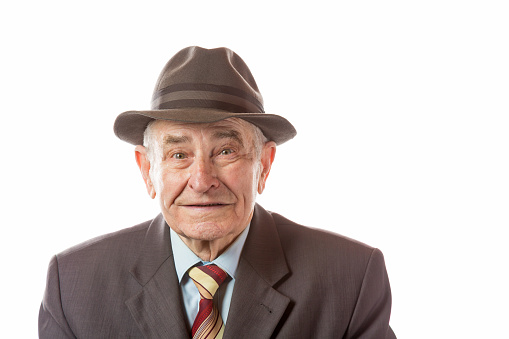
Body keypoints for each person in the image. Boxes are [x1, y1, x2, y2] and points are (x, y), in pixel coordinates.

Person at [39, 46, 396, 338]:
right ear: (148, 170)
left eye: (225, 151)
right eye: (179, 154)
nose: (201, 179)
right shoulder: (73, 286)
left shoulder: (352, 279)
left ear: (264, 165)